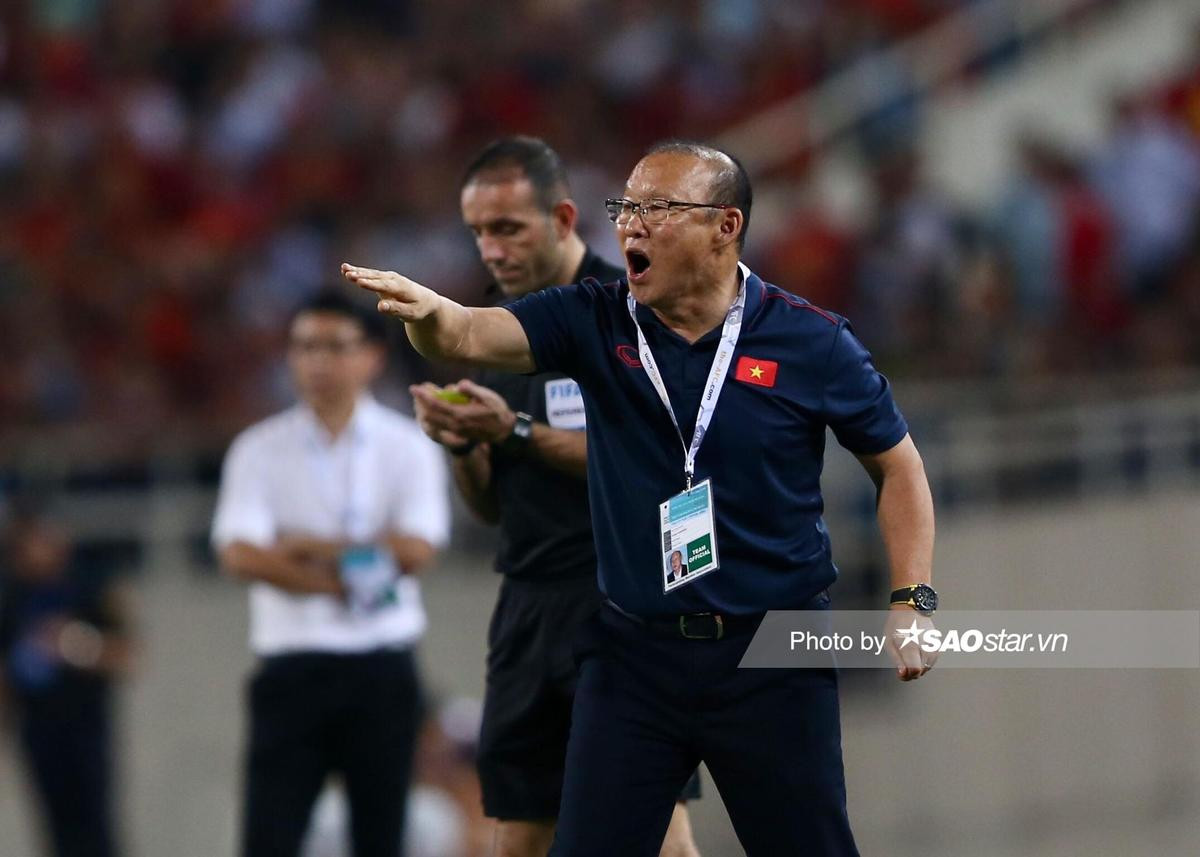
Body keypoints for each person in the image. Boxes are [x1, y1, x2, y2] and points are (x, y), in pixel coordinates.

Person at [343, 140, 937, 857]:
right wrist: (431, 312)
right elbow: (473, 330)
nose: (631, 226)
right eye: (626, 207)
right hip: (634, 656)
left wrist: (913, 597)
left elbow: (898, 467)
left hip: (772, 652)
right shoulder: (594, 318)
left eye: (658, 209)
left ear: (725, 225)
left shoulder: (812, 341)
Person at [406, 136, 700, 857]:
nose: (491, 249)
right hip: (529, 604)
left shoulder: (632, 312)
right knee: (518, 829)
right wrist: (463, 447)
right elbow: (494, 508)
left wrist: (515, 431)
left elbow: (663, 464)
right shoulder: (492, 333)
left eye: (508, 228)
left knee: (653, 825)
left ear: (564, 218)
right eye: (478, 232)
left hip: (623, 596)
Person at [211, 291, 450, 857]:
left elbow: (417, 548)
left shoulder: (407, 445)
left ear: (372, 356)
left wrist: (303, 548)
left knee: (381, 835)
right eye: (303, 347)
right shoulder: (258, 449)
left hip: (381, 666)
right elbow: (239, 555)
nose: (316, 362)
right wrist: (352, 574)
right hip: (293, 666)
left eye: (333, 347)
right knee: (269, 835)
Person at [0, 502, 138, 857]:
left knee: (95, 825)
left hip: (85, 725)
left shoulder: (89, 588)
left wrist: (73, 644)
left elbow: (126, 655)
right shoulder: (12, 598)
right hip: (38, 729)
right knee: (55, 829)